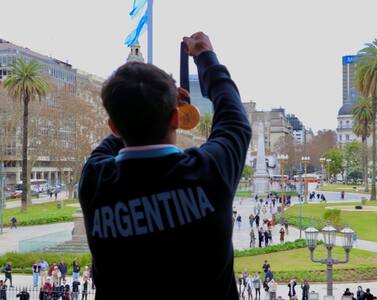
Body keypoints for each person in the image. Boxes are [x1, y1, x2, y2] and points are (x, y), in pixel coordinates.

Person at [78, 32, 251, 299]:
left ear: (113, 126)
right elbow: (234, 120)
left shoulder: (94, 180)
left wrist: (135, 110)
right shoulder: (209, 171)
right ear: (176, 118)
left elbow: (234, 123)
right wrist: (205, 56)